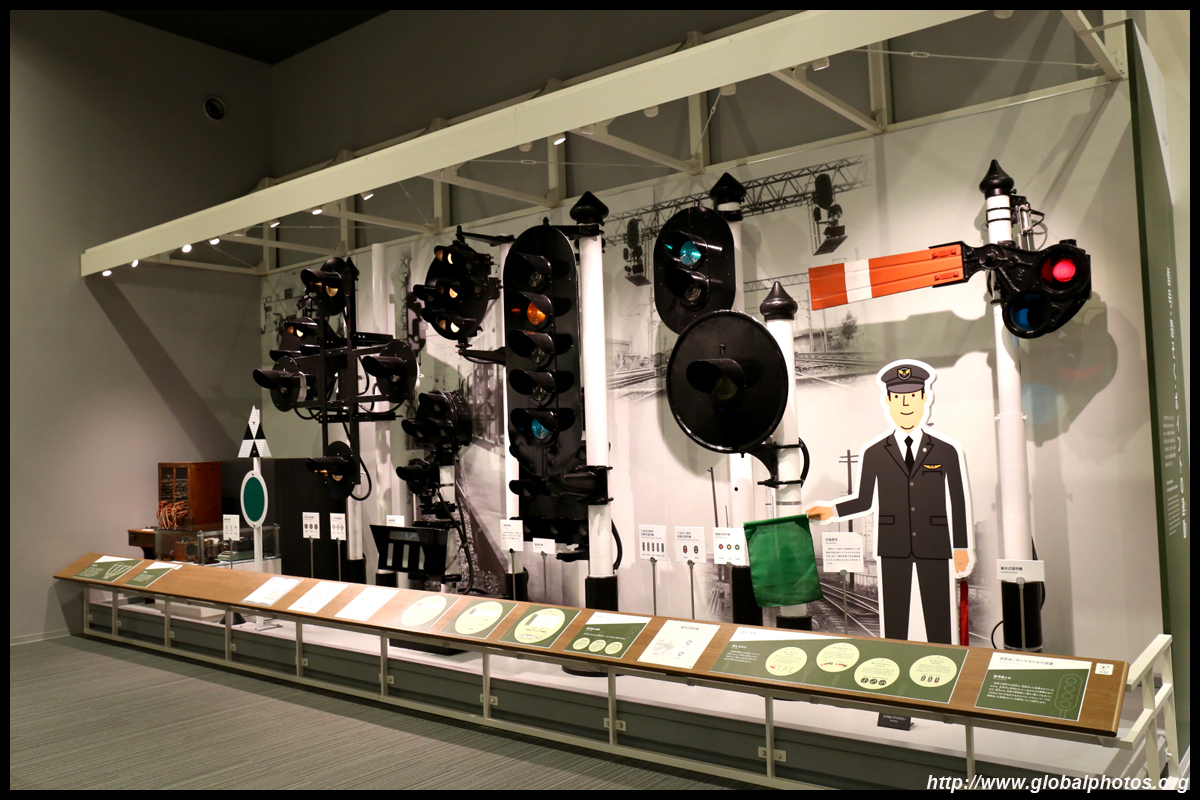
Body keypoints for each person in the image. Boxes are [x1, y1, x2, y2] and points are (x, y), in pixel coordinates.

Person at [807, 360, 973, 644]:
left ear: (924, 397)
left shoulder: (946, 451)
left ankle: (943, 665)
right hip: (893, 545)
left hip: (934, 545)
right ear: (888, 401)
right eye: (898, 398)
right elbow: (864, 501)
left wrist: (960, 547)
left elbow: (957, 501)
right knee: (895, 623)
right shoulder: (875, 453)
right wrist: (832, 511)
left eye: (912, 396)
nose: (905, 404)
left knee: (939, 621)